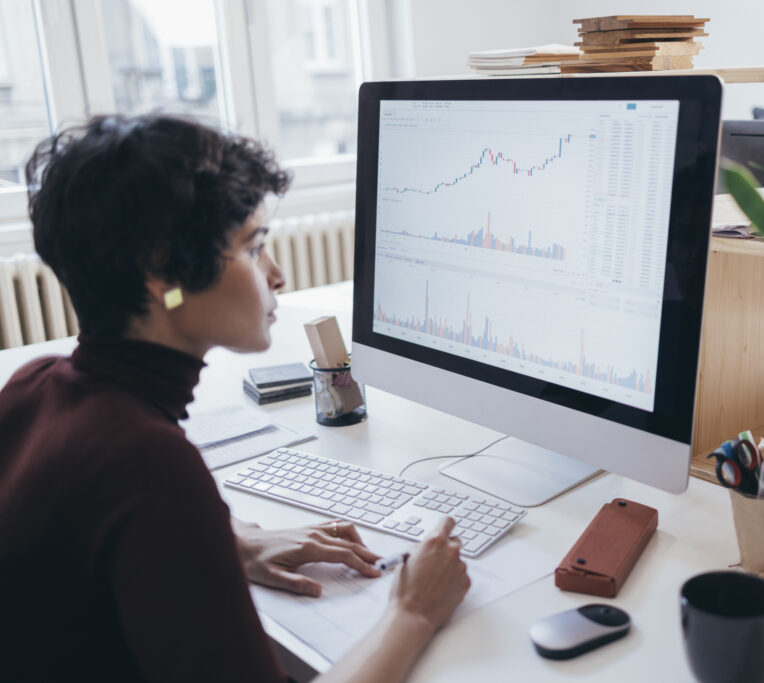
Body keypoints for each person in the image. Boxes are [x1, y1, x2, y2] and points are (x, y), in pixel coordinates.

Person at [0, 114, 470, 682]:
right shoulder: (148, 463)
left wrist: (233, 541)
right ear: (163, 272)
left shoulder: (34, 384)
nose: (277, 275)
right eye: (253, 248)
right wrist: (413, 611)